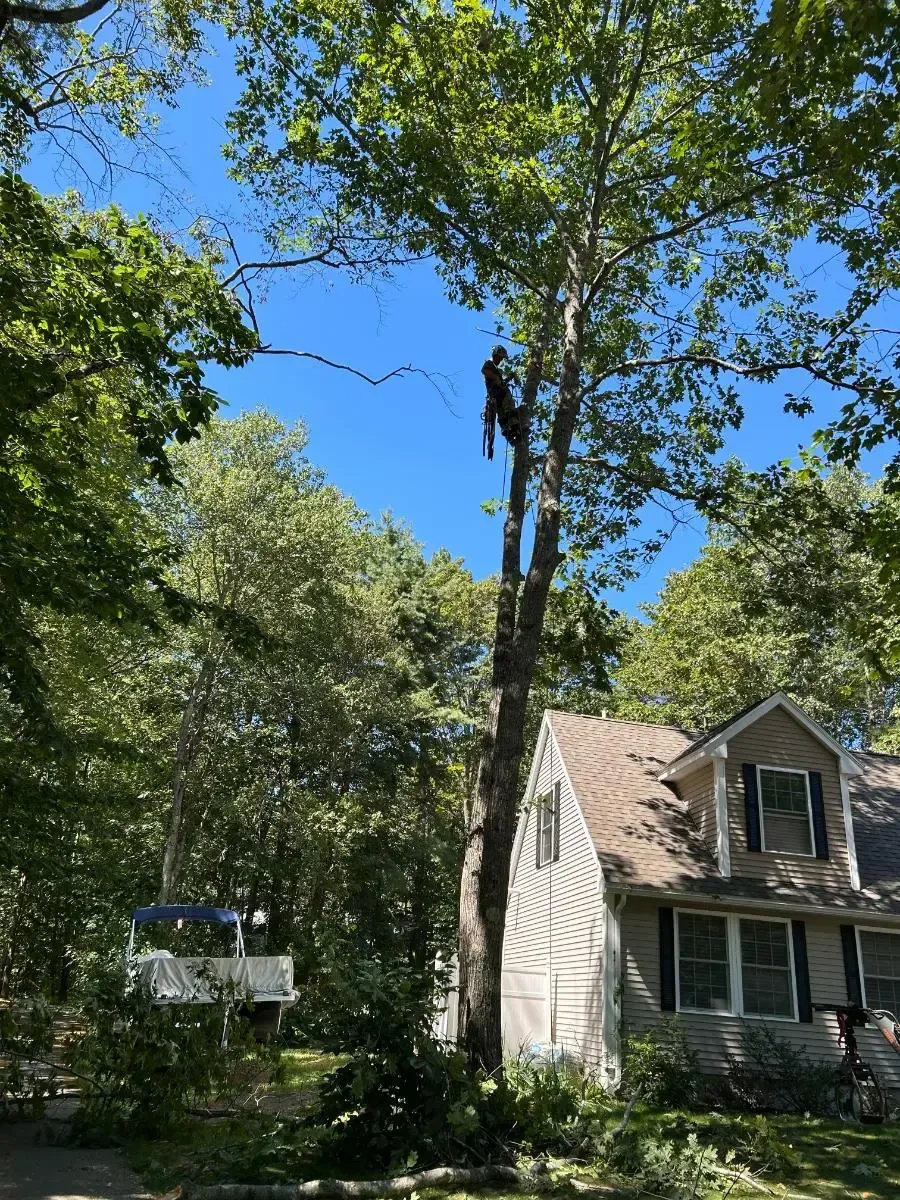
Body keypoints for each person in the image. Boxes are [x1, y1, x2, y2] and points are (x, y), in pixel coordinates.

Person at [481, 345, 523, 458]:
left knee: (504, 415)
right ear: (495, 355)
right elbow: (484, 370)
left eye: (502, 359)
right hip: (499, 396)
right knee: (509, 409)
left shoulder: (495, 370)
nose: (500, 360)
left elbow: (501, 383)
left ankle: (512, 435)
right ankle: (515, 431)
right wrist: (495, 378)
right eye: (500, 358)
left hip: (497, 397)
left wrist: (510, 377)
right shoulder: (489, 365)